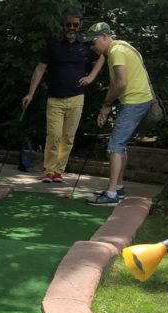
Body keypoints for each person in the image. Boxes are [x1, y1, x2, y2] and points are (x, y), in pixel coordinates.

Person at [21, 10, 104, 183]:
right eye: (68, 24)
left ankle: (59, 171)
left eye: (75, 24)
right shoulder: (54, 44)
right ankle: (49, 171)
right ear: (64, 25)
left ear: (80, 25)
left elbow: (102, 56)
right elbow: (40, 69)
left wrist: (91, 77)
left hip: (77, 97)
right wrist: (30, 93)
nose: (71, 27)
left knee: (68, 138)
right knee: (54, 135)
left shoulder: (86, 45)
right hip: (55, 98)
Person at [85, 22, 155, 205]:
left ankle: (111, 195)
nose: (92, 47)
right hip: (138, 100)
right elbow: (116, 83)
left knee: (115, 146)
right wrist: (106, 107)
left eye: (93, 42)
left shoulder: (116, 52)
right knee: (120, 145)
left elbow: (121, 83)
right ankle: (118, 187)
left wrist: (107, 104)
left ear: (104, 37)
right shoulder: (120, 47)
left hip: (135, 101)